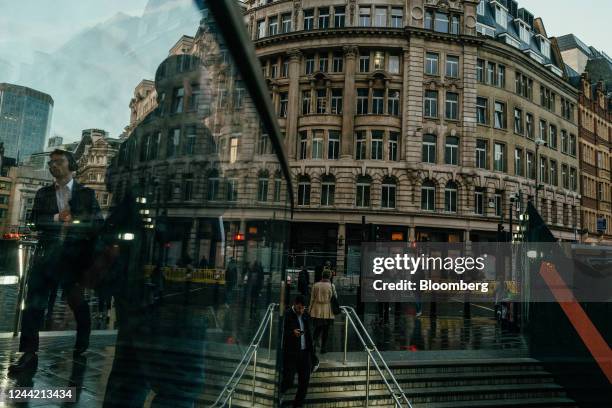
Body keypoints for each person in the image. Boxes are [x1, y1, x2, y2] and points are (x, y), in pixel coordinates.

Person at [9, 149, 102, 373]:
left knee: (77, 302)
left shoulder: (86, 194)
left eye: (59, 162)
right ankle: (29, 354)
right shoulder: (43, 193)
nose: (53, 165)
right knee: (33, 306)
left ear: (72, 165)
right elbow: (34, 222)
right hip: (46, 258)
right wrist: (56, 218)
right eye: (51, 162)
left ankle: (82, 341)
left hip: (74, 260)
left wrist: (78, 224)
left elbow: (98, 224)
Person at [281, 295, 316, 407]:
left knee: (304, 382)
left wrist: (312, 354)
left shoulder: (305, 315)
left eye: (303, 308)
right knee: (289, 380)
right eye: (299, 308)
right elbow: (281, 334)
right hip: (291, 353)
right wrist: (292, 333)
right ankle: (280, 394)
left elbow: (309, 335)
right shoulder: (287, 315)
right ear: (294, 304)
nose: (301, 310)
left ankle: (297, 405)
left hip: (305, 353)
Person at [309, 269, 336, 354]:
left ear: (322, 275)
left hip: (317, 309)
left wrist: (310, 310)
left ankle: (312, 346)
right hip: (328, 310)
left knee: (317, 329)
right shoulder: (331, 286)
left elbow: (312, 298)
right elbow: (335, 297)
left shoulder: (315, 285)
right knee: (326, 331)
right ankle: (323, 348)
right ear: (330, 276)